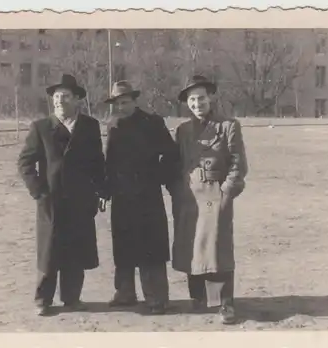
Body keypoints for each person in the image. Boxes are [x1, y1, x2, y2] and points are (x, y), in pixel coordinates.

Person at [17, 74, 106, 316]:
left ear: (77, 100)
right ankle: (42, 300)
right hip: (51, 202)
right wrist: (39, 192)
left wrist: (101, 190)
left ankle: (72, 299)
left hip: (81, 201)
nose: (59, 101)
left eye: (65, 96)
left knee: (76, 252)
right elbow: (25, 163)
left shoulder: (90, 126)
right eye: (56, 96)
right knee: (49, 252)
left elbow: (97, 162)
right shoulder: (41, 127)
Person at [170, 75, 248, 324]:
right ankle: (198, 298)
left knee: (219, 247)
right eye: (192, 99)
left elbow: (238, 163)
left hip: (216, 193)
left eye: (201, 98)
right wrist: (176, 189)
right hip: (189, 196)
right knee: (192, 246)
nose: (197, 103)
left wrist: (227, 190)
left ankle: (226, 304)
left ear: (211, 98)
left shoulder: (228, 125)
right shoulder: (182, 130)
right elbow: (176, 163)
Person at [101, 80, 180, 314]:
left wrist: (157, 176)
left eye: (125, 102)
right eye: (117, 103)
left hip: (148, 195)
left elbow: (171, 154)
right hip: (122, 195)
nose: (121, 107)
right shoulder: (113, 125)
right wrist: (106, 190)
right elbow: (109, 160)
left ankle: (157, 297)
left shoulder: (153, 123)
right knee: (123, 245)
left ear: (135, 101)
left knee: (151, 246)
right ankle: (125, 293)